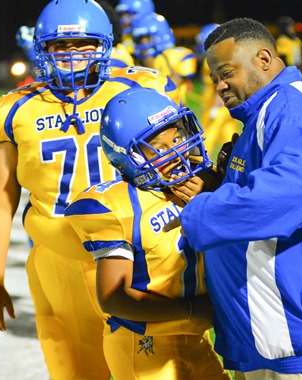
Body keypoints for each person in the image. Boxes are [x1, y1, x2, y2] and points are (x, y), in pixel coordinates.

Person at [0, 1, 180, 379]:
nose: (72, 55)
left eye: (84, 43)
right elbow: (0, 198)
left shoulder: (137, 88)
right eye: (61, 46)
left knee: (154, 369)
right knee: (75, 370)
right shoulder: (18, 109)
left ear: (104, 45)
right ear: (43, 49)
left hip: (135, 255)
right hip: (59, 263)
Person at [165, 18, 302, 379]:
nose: (219, 85)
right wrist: (219, 188)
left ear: (264, 58)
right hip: (272, 336)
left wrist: (201, 212)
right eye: (215, 78)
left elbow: (294, 193)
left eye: (226, 72)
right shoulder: (266, 113)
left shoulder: (291, 109)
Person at [64, 87, 230, 379]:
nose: (178, 150)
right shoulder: (119, 206)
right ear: (130, 157)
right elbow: (114, 298)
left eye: (177, 138)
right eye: (160, 147)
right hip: (144, 343)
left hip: (195, 337)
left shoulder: (202, 183)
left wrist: (216, 196)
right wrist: (192, 309)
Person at [194, 23, 241, 160]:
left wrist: (215, 105)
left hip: (218, 105)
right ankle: (238, 160)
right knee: (231, 137)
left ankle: (199, 161)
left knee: (207, 137)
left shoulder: (212, 62)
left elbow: (219, 85)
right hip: (228, 104)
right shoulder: (228, 59)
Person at [131, 12, 197, 105]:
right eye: (140, 40)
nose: (144, 43)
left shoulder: (176, 55)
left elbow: (170, 88)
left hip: (174, 108)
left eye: (147, 38)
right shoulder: (136, 62)